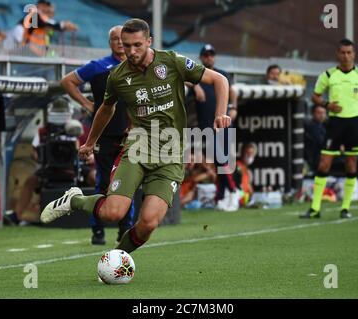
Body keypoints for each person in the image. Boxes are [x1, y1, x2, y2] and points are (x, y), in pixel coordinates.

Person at [40, 18, 230, 255]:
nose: (131, 51)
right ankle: (74, 200)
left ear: (149, 41)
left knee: (148, 223)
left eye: (137, 45)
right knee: (113, 212)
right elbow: (106, 109)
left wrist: (221, 113)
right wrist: (90, 142)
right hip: (138, 147)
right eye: (126, 45)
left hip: (170, 153)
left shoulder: (171, 61)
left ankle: (117, 259)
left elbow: (219, 80)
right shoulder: (118, 76)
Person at [61, 25, 136, 245]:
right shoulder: (99, 66)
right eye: (115, 39)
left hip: (129, 134)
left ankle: (125, 228)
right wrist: (86, 103)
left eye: (122, 38)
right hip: (103, 134)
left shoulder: (137, 66)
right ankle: (98, 230)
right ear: (110, 42)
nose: (120, 43)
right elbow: (67, 81)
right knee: (103, 183)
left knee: (127, 182)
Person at [300, 38, 358, 219]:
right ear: (337, 54)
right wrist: (327, 104)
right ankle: (315, 208)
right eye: (343, 52)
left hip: (354, 124)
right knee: (324, 164)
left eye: (349, 52)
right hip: (335, 125)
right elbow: (315, 97)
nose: (346, 56)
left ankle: (345, 207)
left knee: (351, 164)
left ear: (354, 54)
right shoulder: (328, 75)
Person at [191, 44, 239, 211]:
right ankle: (221, 195)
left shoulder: (221, 74)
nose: (209, 57)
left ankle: (233, 192)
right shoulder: (196, 75)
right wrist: (195, 86)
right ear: (201, 57)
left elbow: (232, 91)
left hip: (222, 123)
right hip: (206, 126)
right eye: (206, 55)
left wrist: (233, 108)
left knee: (223, 159)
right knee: (218, 161)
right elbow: (182, 78)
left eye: (211, 54)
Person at [303, 104, 327, 174]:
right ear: (313, 114)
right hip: (315, 159)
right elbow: (322, 143)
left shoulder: (323, 125)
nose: (322, 115)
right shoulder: (312, 126)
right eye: (319, 113)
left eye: (323, 113)